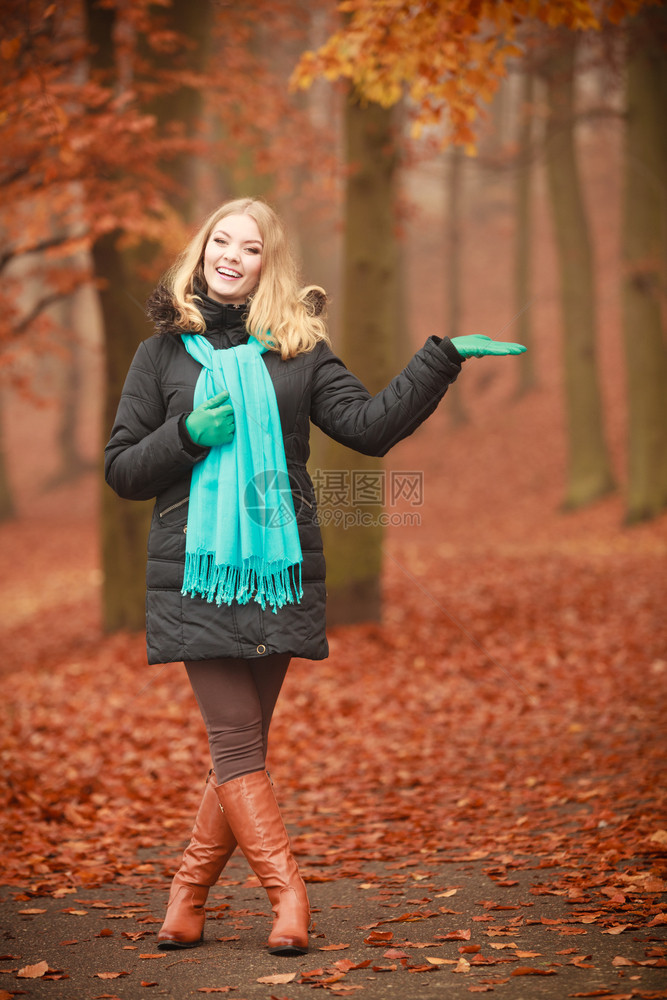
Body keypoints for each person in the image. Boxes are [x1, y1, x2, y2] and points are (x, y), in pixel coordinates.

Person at [104, 197, 525, 958]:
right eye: (220, 241)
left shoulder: (298, 351)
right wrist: (188, 434)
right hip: (195, 572)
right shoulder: (159, 356)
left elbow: (369, 429)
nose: (232, 255)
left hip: (279, 568)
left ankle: (188, 894)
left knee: (241, 750)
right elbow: (124, 471)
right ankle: (287, 894)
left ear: (272, 264)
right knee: (237, 744)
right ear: (200, 252)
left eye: (252, 247)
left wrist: (442, 356)